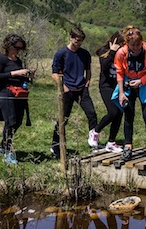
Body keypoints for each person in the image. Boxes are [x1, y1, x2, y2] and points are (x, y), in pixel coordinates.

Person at [50, 27, 99, 158]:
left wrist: (88, 80)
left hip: (81, 88)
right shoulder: (61, 54)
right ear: (71, 38)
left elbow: (88, 68)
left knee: (92, 114)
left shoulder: (84, 54)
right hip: (67, 89)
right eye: (77, 40)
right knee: (63, 118)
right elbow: (54, 73)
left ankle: (93, 142)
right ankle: (55, 146)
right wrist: (63, 86)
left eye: (81, 41)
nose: (79, 43)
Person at [114, 25, 146, 161]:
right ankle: (128, 147)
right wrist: (121, 93)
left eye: (138, 44)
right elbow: (119, 72)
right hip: (128, 84)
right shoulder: (121, 53)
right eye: (132, 45)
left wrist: (141, 81)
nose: (135, 48)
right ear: (127, 43)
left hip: (145, 83)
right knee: (128, 114)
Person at [0, 34, 34, 165]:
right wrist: (15, 73)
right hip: (5, 92)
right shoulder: (0, 59)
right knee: (10, 121)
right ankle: (8, 152)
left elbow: (20, 78)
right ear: (8, 46)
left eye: (20, 48)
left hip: (18, 94)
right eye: (16, 47)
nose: (18, 51)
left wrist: (28, 77)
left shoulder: (18, 61)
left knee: (18, 122)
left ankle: (2, 146)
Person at [93, 31, 125, 154]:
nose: (123, 46)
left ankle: (111, 142)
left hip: (118, 85)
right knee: (113, 111)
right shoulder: (104, 50)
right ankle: (96, 131)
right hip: (106, 86)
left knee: (120, 113)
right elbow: (104, 67)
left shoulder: (123, 52)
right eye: (121, 43)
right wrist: (112, 52)